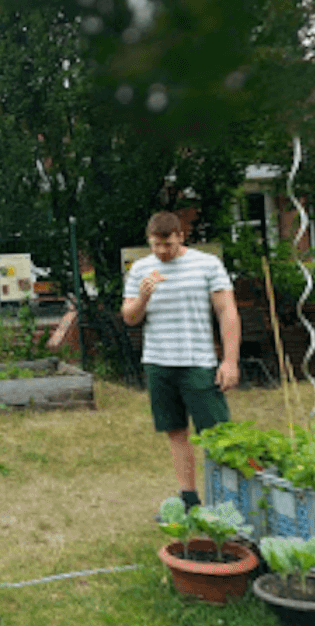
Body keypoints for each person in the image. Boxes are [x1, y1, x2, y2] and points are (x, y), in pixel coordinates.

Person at [122, 212, 240, 510]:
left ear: (181, 237)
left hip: (198, 362)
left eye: (168, 245)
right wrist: (143, 297)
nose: (162, 251)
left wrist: (230, 361)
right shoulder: (140, 270)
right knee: (175, 431)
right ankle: (189, 499)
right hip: (158, 363)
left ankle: (229, 500)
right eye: (156, 245)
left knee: (217, 434)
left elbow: (227, 312)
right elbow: (130, 318)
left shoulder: (207, 264)